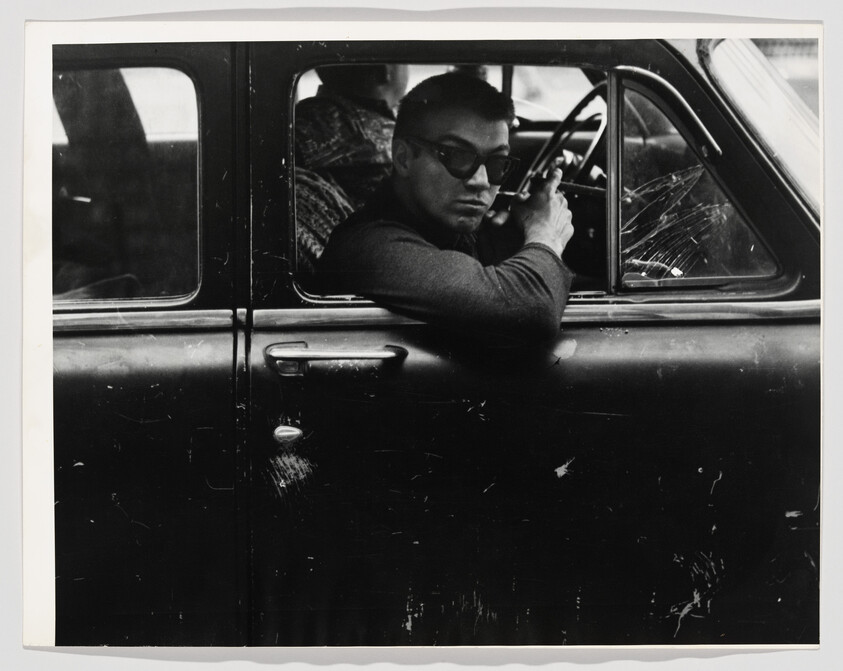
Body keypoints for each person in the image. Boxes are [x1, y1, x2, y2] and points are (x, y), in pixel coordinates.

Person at [317, 72, 575, 343]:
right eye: (457, 157)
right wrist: (546, 234)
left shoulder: (443, 224)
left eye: (497, 163)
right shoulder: (370, 248)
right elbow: (531, 311)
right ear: (403, 158)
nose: (481, 181)